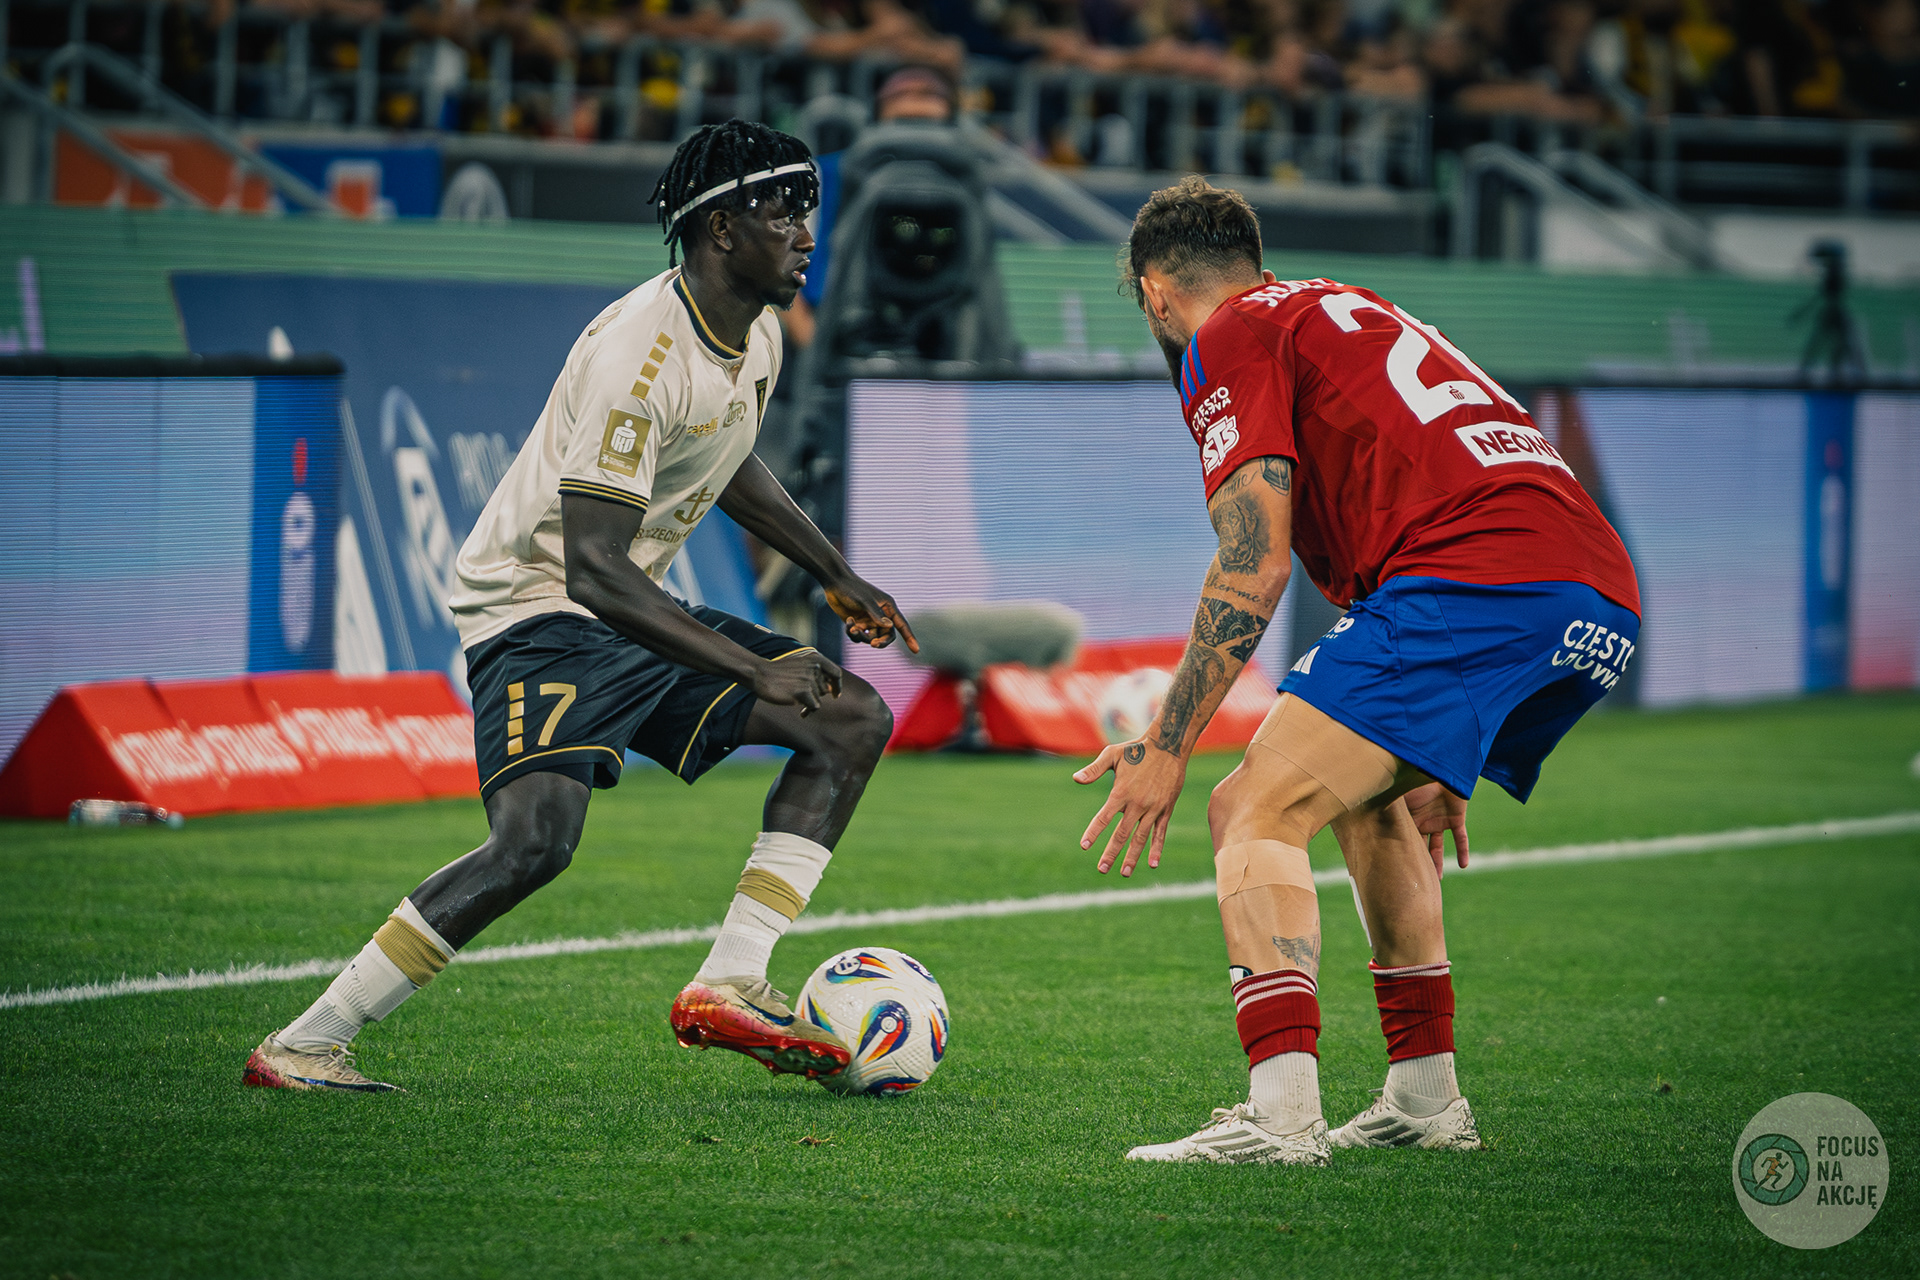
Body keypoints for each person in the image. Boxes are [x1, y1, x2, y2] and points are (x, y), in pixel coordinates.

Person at [243, 119, 919, 1093]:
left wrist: (834, 570)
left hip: (625, 604)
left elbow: (726, 456)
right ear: (721, 229)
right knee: (534, 843)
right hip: (538, 609)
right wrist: (751, 668)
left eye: (807, 212)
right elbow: (592, 568)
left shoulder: (758, 331)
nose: (807, 234)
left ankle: (731, 978)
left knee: (849, 718)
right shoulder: (638, 359)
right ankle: (306, 1042)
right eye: (783, 213)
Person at [1076, 177, 1640, 1165]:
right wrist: (1437, 742)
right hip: (1592, 590)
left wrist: (1167, 745)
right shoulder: (1345, 305)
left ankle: (1280, 1116)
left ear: (1156, 292)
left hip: (1479, 579)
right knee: (1366, 804)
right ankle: (1424, 1099)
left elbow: (1252, 561)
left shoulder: (1229, 335)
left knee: (1250, 808)